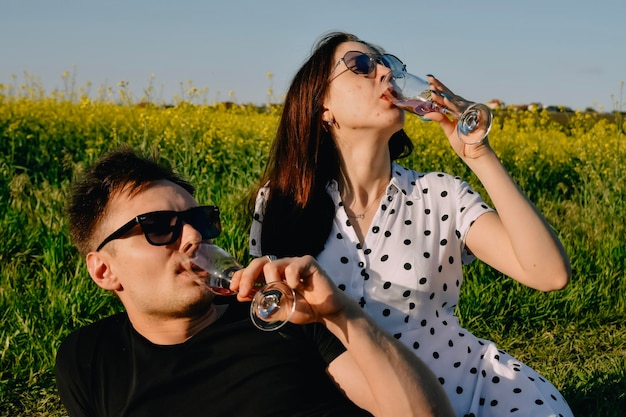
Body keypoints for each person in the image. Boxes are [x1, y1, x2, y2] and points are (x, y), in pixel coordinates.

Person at [249, 31, 574, 417]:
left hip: (470, 390)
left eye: (388, 64)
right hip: (349, 397)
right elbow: (273, 324)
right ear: (323, 106)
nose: (385, 71)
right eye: (362, 65)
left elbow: (549, 274)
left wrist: (478, 154)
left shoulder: (439, 194)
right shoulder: (284, 200)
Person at [55, 147, 455, 417]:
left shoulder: (285, 316)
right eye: (159, 228)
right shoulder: (89, 357)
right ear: (103, 271)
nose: (194, 237)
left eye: (200, 221)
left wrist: (340, 313)